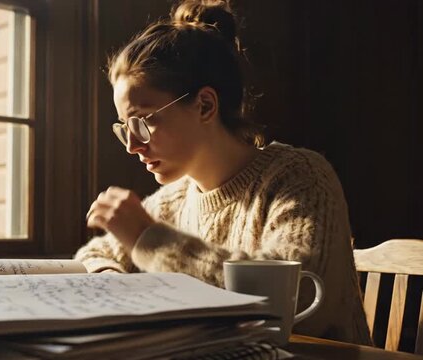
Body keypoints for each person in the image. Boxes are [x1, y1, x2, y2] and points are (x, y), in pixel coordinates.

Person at [74, 0, 372, 346]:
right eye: (125, 127)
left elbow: (300, 302)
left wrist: (149, 241)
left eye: (143, 121)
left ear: (205, 105)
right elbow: (94, 255)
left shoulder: (301, 177)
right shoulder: (174, 199)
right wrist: (117, 281)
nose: (132, 145)